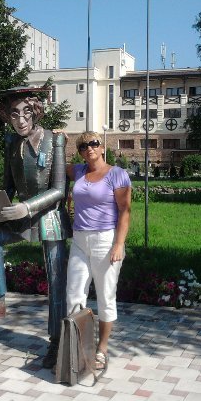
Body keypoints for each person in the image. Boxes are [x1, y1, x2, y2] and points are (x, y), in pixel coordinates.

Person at [0, 86, 72, 369]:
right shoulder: (10, 142)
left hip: (50, 218)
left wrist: (27, 207)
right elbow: (8, 186)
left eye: (26, 112)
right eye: (14, 114)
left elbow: (59, 189)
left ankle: (57, 341)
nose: (20, 120)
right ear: (7, 116)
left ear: (36, 112)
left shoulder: (54, 140)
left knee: (56, 281)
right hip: (21, 217)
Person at [65, 131, 131, 372]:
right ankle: (78, 347)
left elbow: (125, 211)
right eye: (83, 146)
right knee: (74, 295)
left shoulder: (117, 174)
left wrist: (119, 244)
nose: (89, 148)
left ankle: (101, 349)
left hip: (106, 240)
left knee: (105, 297)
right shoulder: (79, 171)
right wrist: (59, 139)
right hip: (80, 240)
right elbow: (56, 163)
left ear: (102, 147)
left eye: (93, 143)